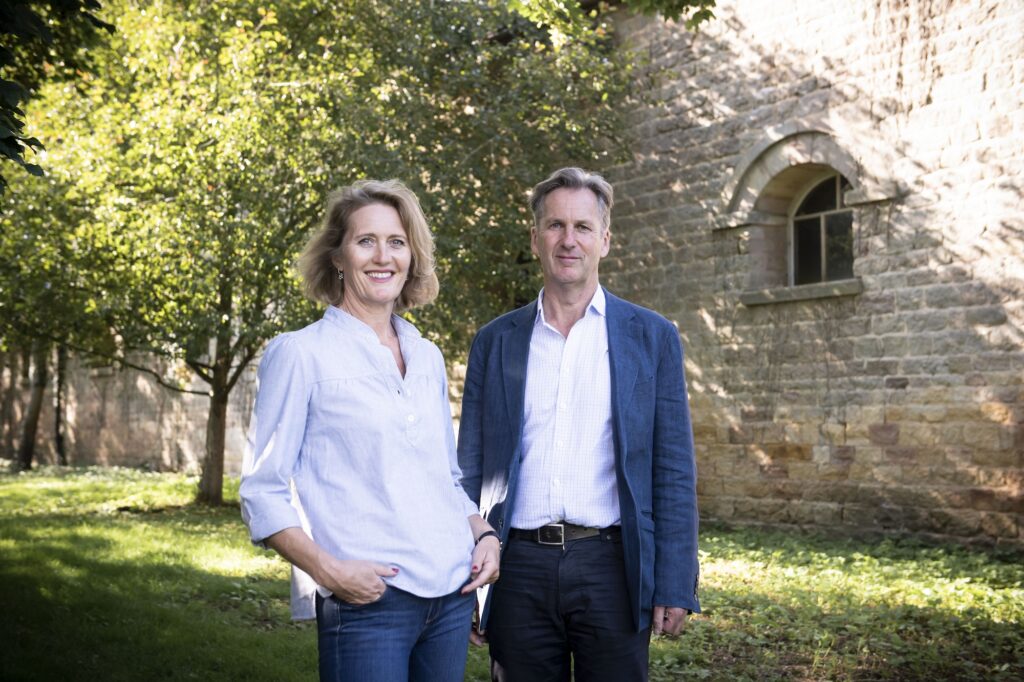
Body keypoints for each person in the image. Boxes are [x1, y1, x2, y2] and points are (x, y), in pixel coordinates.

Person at [240, 179, 500, 682]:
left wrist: (484, 535)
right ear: (338, 257)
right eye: (366, 241)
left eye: (397, 242)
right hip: (368, 604)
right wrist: (328, 571)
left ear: (411, 256)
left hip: (448, 601)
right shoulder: (300, 354)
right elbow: (261, 491)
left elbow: (445, 479)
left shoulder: (426, 355)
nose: (383, 256)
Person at [457, 167, 701, 681]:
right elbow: (469, 467)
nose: (569, 240)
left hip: (612, 566)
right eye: (555, 226)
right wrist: (469, 574)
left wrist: (675, 580)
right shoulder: (496, 341)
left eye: (583, 227)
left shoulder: (652, 338)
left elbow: (672, 467)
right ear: (535, 238)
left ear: (605, 240)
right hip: (515, 566)